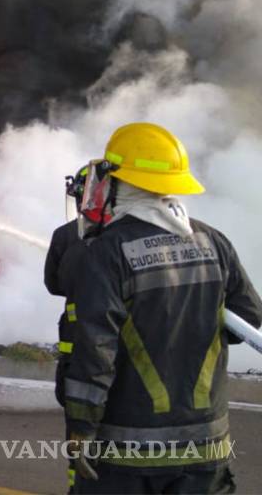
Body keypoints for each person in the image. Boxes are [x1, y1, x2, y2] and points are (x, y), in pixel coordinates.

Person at [63, 123, 262, 494]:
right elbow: (249, 317)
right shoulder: (213, 242)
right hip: (206, 449)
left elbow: (94, 351)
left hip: (128, 455)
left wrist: (81, 428)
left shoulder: (106, 253)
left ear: (118, 184)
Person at [45, 166, 89, 407]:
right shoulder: (134, 234)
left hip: (77, 342)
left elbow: (53, 285)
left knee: (76, 405)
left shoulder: (65, 235)